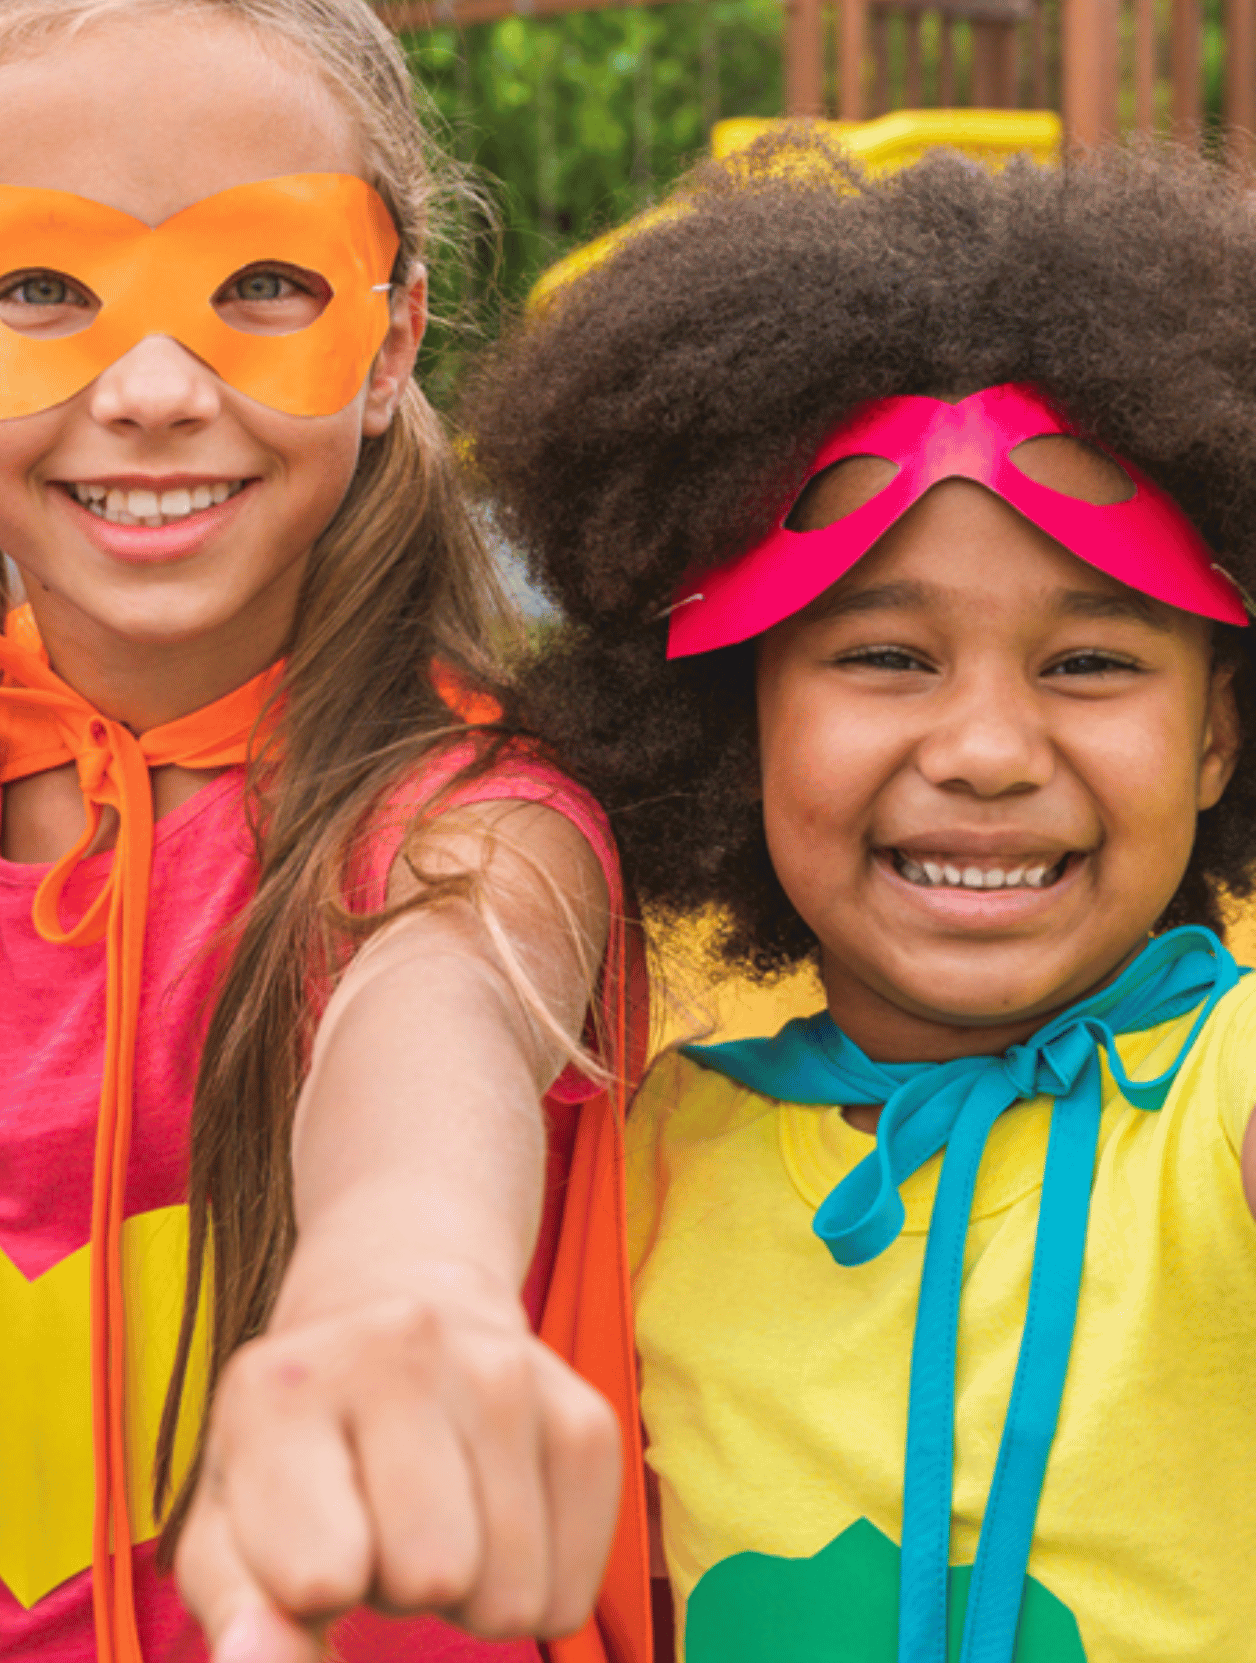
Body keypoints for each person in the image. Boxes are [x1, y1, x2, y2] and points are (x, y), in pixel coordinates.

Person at [0, 3, 652, 1660]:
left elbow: (436, 1028)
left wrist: (406, 1288)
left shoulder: (479, 829)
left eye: (262, 286)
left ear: (390, 344)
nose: (156, 389)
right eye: (38, 290)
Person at [468, 140, 1256, 1660]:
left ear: (1219, 732)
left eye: (1090, 662)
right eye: (885, 655)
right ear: (730, 718)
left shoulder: (1218, 1102)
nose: (981, 752)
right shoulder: (644, 1163)